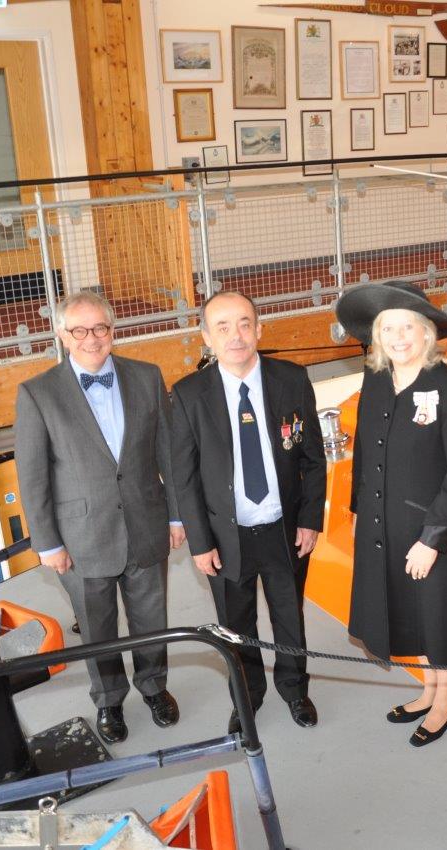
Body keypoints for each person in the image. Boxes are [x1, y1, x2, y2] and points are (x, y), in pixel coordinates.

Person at [15, 291, 184, 744]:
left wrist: (176, 516)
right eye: (80, 330)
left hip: (146, 524)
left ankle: (154, 687)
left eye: (101, 328)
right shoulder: (37, 393)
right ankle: (109, 699)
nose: (92, 339)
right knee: (97, 626)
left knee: (152, 618)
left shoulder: (147, 377)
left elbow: (167, 451)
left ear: (113, 330)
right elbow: (32, 476)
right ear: (62, 335)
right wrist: (47, 543)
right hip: (80, 537)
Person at [335, 281, 447, 748]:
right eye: (388, 328)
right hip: (385, 523)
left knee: (439, 618)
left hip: (435, 531)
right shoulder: (377, 380)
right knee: (409, 613)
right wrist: (360, 507)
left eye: (407, 327)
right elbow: (364, 448)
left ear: (427, 332)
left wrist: (432, 540)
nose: (398, 337)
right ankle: (428, 690)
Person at [170, 291, 326, 733]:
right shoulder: (187, 395)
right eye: (222, 326)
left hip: (284, 529)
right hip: (224, 538)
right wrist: (200, 543)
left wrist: (311, 518)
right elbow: (184, 479)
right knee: (236, 627)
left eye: (243, 324)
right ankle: (247, 697)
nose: (235, 335)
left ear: (259, 329)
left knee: (289, 617)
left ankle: (295, 691)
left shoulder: (292, 379)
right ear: (206, 337)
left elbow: (313, 458)